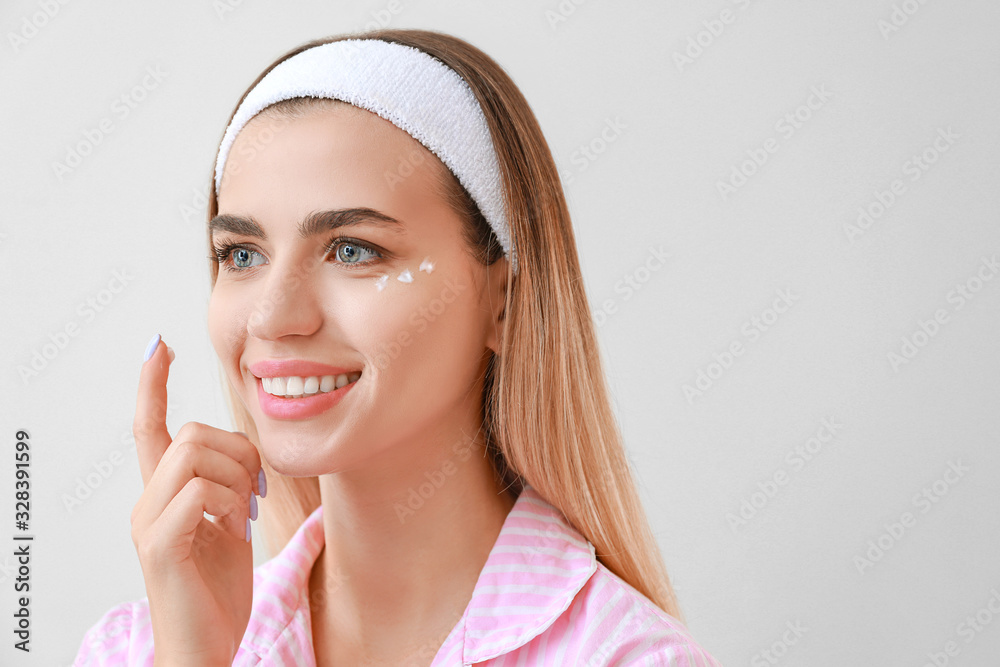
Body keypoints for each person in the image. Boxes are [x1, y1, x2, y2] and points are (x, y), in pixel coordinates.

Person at [75, 29, 722, 666]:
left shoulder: (629, 657)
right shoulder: (137, 650)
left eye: (352, 249)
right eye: (242, 254)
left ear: (502, 300)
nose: (274, 316)